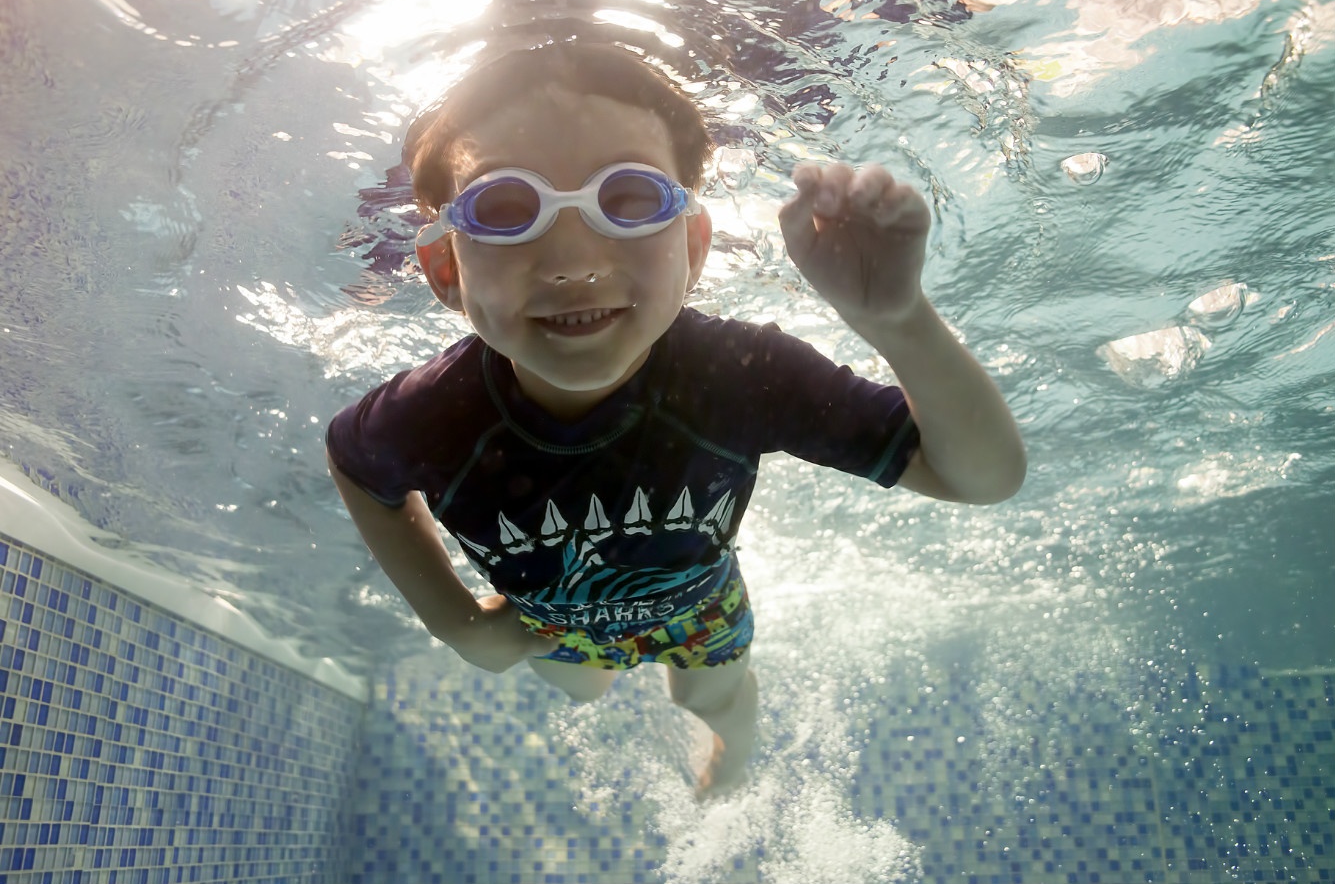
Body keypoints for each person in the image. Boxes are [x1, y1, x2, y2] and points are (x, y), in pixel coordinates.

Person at [325, 41, 1025, 796]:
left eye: (626, 200)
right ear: (445, 272)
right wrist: (456, 622)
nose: (572, 260)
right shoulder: (426, 416)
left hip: (700, 606)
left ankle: (730, 749)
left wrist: (898, 321)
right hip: (553, 626)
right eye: (505, 208)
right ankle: (622, 681)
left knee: (712, 696)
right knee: (581, 685)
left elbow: (980, 477)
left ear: (693, 248)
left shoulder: (743, 375)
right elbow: (355, 467)